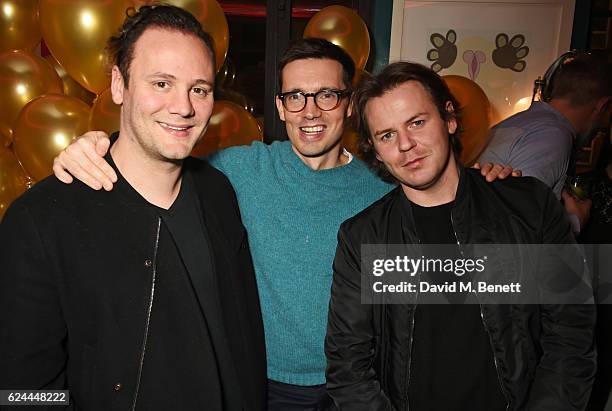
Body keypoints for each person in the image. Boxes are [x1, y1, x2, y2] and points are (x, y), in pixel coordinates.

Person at [51, 39, 516, 410]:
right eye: (296, 96)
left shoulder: (385, 183)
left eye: (326, 95)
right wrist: (94, 144)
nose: (310, 111)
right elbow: (154, 155)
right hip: (263, 383)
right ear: (279, 106)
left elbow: (445, 202)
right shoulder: (236, 170)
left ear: (349, 104)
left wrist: (491, 181)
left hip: (358, 382)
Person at [0, 6, 266, 410]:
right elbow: (22, 392)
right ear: (119, 85)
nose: (184, 107)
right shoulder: (42, 220)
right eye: (162, 83)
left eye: (200, 88)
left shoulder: (218, 192)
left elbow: (242, 336)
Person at [325, 62, 596, 410]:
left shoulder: (528, 207)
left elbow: (571, 333)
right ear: (376, 150)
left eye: (417, 122)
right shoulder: (362, 237)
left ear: (449, 119)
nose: (405, 144)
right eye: (387, 135)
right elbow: (348, 364)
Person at [478, 54, 611, 232]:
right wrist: (576, 221)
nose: (602, 127)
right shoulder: (553, 137)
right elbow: (520, 231)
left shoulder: (519, 122)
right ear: (603, 106)